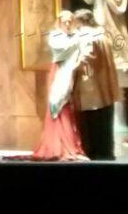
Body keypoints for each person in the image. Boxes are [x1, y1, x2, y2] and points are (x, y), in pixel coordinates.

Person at [27, 10, 89, 161]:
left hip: (70, 72)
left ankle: (70, 146)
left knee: (67, 107)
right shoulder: (55, 36)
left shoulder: (73, 36)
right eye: (64, 21)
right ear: (59, 22)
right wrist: (78, 39)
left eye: (70, 21)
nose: (67, 24)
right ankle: (57, 147)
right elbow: (63, 50)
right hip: (59, 72)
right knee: (58, 104)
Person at [72, 8, 120, 160]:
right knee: (105, 120)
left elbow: (86, 56)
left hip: (90, 86)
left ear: (80, 22)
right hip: (105, 84)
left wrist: (70, 68)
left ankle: (93, 151)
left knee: (91, 121)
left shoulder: (86, 34)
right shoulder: (102, 34)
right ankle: (107, 151)